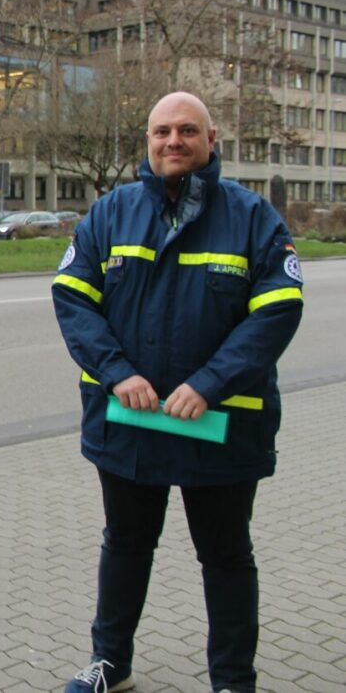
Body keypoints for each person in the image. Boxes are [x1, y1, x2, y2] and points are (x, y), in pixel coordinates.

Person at [52, 91, 304, 693]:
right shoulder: (109, 214)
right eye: (162, 131)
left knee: (225, 556)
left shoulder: (253, 217)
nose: (173, 142)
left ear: (211, 140)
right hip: (128, 420)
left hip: (219, 427)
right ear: (148, 141)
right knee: (126, 546)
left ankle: (232, 680)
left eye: (187, 131)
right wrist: (117, 372)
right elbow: (73, 298)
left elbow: (277, 309)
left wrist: (209, 384)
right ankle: (111, 664)